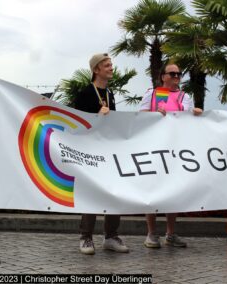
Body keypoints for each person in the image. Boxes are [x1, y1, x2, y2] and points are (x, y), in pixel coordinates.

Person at [139, 63, 203, 248]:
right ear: (163, 76)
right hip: (153, 147)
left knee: (172, 191)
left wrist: (196, 113)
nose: (176, 76)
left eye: (179, 73)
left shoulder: (185, 96)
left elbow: (188, 119)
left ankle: (170, 233)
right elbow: (140, 117)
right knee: (152, 191)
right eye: (172, 73)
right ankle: (151, 233)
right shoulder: (151, 94)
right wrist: (153, 115)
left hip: (175, 149)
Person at [73, 53, 129, 255]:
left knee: (113, 192)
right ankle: (86, 237)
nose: (111, 68)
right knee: (91, 194)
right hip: (90, 153)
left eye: (111, 64)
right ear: (96, 69)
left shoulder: (110, 93)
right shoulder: (85, 93)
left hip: (108, 151)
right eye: (107, 65)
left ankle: (111, 236)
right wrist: (97, 116)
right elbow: (76, 125)